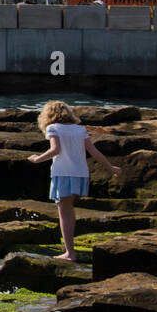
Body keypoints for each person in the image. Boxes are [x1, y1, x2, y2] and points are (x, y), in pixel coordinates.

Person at [28, 101, 122, 261]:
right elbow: (94, 152)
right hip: (80, 173)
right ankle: (69, 248)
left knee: (64, 212)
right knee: (69, 210)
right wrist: (110, 167)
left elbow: (55, 150)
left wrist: (37, 159)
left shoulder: (53, 128)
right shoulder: (80, 129)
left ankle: (69, 252)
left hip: (63, 173)